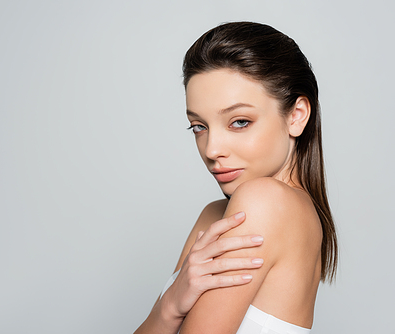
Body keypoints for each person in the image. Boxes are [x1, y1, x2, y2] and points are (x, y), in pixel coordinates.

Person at [134, 21, 338, 334]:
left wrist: (169, 311)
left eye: (239, 122)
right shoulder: (216, 214)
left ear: (296, 116)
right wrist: (171, 305)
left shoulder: (264, 201)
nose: (212, 149)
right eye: (199, 127)